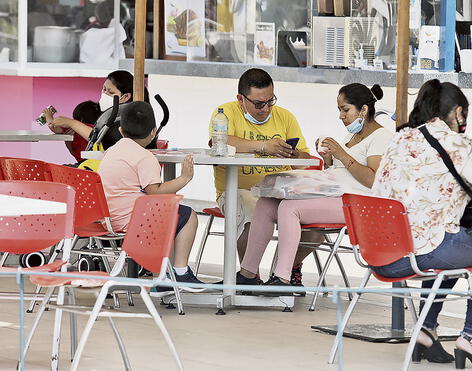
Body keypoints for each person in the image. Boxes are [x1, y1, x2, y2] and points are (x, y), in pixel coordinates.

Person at [371, 79, 472, 368]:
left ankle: (426, 331)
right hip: (417, 253)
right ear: (458, 112)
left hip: (379, 253)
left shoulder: (399, 138)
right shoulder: (453, 142)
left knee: (452, 244)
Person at [236, 83, 393, 294]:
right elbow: (342, 174)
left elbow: (373, 180)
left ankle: (282, 278)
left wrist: (341, 154)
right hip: (336, 196)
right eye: (339, 110)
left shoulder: (382, 137)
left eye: (345, 110)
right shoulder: (351, 137)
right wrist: (328, 160)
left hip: (359, 203)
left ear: (363, 110)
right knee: (266, 204)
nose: (341, 116)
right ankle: (247, 275)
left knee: (290, 208)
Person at [210, 68, 322, 290]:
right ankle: (250, 276)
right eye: (259, 104)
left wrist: (292, 153)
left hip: (280, 192)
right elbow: (219, 143)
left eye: (270, 101)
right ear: (240, 99)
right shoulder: (225, 113)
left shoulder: (285, 116)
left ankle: (287, 269)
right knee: (253, 211)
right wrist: (263, 146)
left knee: (316, 230)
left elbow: (305, 157)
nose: (266, 108)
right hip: (238, 191)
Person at [98, 101, 204, 293]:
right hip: (134, 221)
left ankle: (164, 277)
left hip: (108, 220)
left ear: (121, 130)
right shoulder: (145, 157)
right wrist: (185, 178)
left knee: (171, 214)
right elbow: (155, 191)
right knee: (188, 216)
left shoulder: (111, 151)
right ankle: (180, 272)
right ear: (154, 132)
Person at [45, 70, 151, 151]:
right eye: (104, 89)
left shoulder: (128, 118)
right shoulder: (107, 114)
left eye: (110, 92)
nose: (104, 94)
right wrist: (57, 124)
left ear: (125, 97)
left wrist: (72, 123)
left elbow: (100, 138)